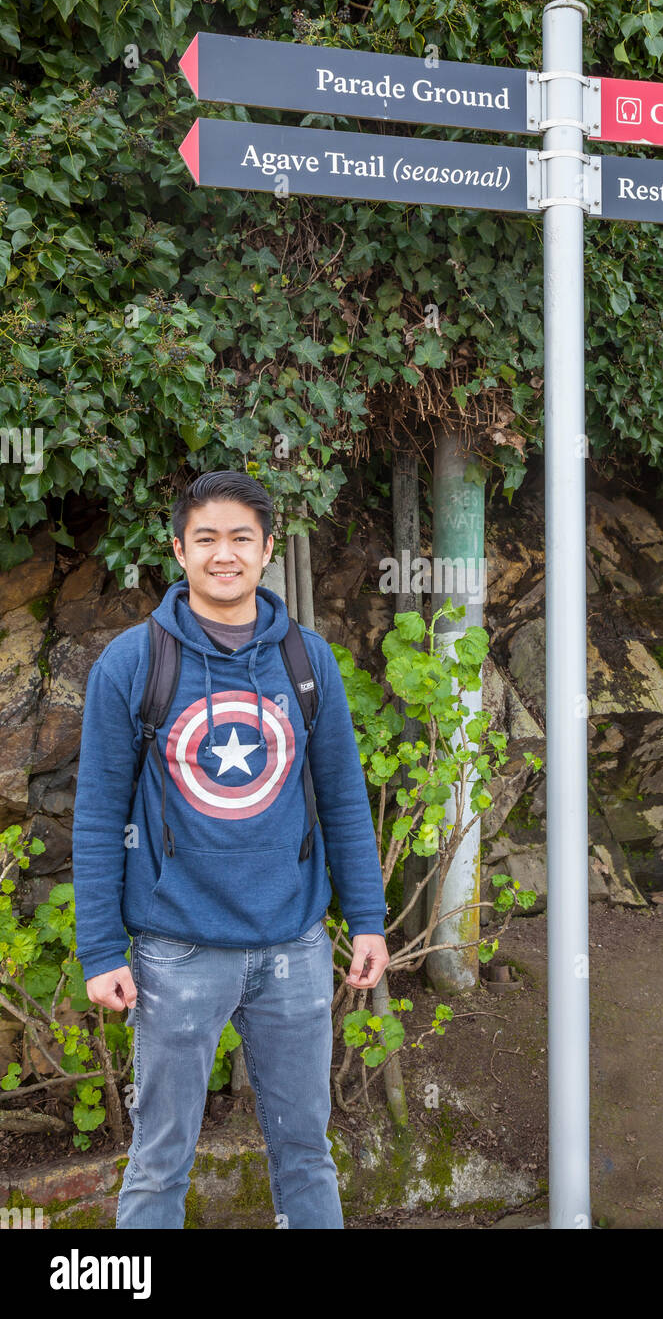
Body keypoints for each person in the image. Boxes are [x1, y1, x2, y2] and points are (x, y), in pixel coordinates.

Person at [72, 470, 389, 1229]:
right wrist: (99, 950)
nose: (224, 554)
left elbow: (344, 797)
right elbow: (96, 815)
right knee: (159, 1161)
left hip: (295, 946)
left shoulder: (307, 663)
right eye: (206, 538)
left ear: (268, 549)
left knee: (307, 1149)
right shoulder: (131, 663)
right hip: (175, 951)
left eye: (241, 538)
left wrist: (369, 918)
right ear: (178, 549)